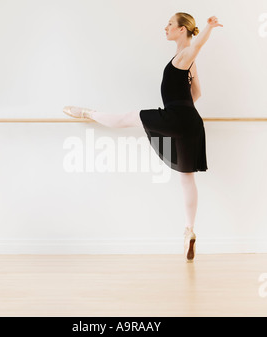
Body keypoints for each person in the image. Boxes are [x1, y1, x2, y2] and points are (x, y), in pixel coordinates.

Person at [63, 13, 223, 262]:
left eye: (170, 24)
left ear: (182, 30)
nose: (166, 27)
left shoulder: (185, 55)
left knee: (126, 118)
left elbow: (198, 45)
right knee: (186, 179)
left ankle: (86, 112)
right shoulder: (188, 62)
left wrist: (209, 28)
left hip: (177, 117)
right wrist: (181, 107)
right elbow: (198, 93)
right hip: (191, 121)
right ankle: (189, 230)